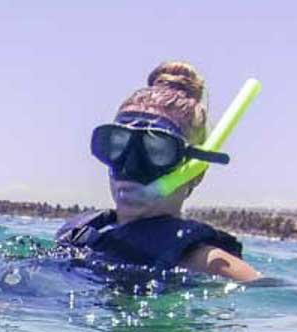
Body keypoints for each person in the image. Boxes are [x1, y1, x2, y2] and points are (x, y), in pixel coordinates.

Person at [55, 61, 263, 283]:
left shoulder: (204, 262)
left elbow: (274, 295)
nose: (130, 167)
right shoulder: (82, 234)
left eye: (157, 152)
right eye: (117, 146)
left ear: (195, 173)